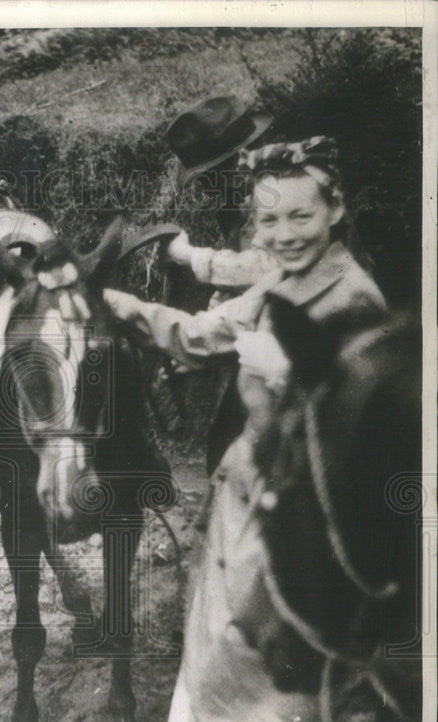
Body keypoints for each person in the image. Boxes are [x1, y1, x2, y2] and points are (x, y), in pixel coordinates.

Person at [103, 136, 388, 722]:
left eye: (302, 214)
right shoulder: (283, 278)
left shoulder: (351, 296)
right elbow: (201, 334)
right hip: (251, 497)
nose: (285, 232)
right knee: (239, 658)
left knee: (246, 662)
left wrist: (288, 378)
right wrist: (115, 304)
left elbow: (363, 423)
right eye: (269, 219)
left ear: (336, 210)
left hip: (300, 511)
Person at [164, 94, 278, 474]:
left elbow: (263, 270)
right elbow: (239, 291)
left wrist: (189, 256)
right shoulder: (240, 201)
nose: (207, 189)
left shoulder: (280, 196)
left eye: (213, 176)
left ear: (240, 159)